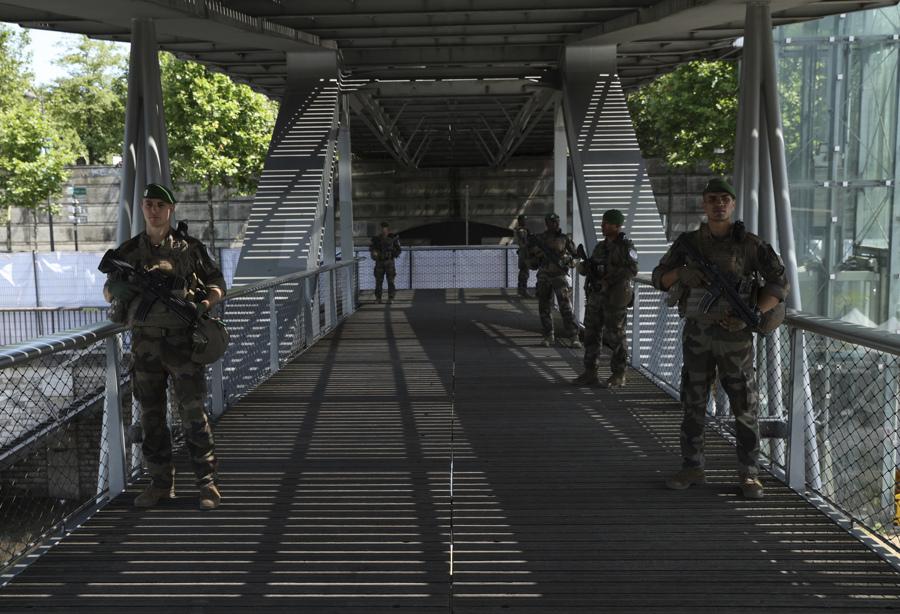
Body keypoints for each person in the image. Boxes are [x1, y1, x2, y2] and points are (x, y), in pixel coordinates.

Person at [651, 177, 788, 500]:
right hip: (698, 334)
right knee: (693, 402)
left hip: (736, 338)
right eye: (713, 199)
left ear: (733, 204)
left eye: (725, 199)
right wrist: (682, 274)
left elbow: (779, 283)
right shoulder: (689, 243)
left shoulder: (750, 245)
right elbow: (660, 278)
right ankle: (692, 465)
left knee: (745, 405)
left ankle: (749, 474)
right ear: (704, 203)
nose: (719, 204)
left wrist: (752, 312)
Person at [103, 183, 226, 510]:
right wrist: (118, 290)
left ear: (170, 209)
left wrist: (203, 306)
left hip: (182, 344)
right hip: (145, 346)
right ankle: (160, 484)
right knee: (151, 416)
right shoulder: (129, 251)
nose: (153, 209)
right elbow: (108, 292)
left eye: (160, 204)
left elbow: (217, 284)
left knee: (193, 415)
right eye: (148, 204)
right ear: (143, 208)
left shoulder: (190, 249)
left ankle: (206, 484)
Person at [572, 209, 638, 388]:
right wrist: (585, 267)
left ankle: (619, 374)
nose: (603, 226)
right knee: (591, 334)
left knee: (616, 336)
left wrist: (609, 280)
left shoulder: (626, 247)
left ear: (617, 226)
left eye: (607, 223)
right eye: (603, 222)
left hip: (615, 298)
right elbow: (594, 265)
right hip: (596, 297)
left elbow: (632, 270)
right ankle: (590, 372)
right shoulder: (600, 247)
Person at [527, 212, 582, 348]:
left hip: (559, 276)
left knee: (565, 307)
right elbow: (531, 259)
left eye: (556, 221)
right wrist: (535, 254)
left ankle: (574, 336)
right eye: (551, 222)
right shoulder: (540, 239)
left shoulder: (564, 239)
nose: (554, 224)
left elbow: (576, 257)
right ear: (546, 223)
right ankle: (548, 335)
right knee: (544, 307)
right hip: (544, 276)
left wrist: (568, 261)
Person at [369, 221, 401, 303]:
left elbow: (398, 249)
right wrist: (374, 254)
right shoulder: (377, 239)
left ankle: (391, 298)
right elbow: (372, 249)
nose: (384, 229)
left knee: (390, 280)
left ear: (388, 229)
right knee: (379, 281)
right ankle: (378, 298)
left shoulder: (393, 238)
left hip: (389, 261)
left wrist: (393, 254)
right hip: (379, 262)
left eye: (385, 228)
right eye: (382, 228)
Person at [514, 214, 531, 298]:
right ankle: (522, 291)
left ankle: (521, 290)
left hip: (523, 251)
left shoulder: (523, 229)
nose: (525, 221)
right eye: (524, 220)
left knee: (524, 271)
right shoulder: (521, 230)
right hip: (524, 252)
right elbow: (524, 241)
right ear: (520, 221)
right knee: (524, 271)